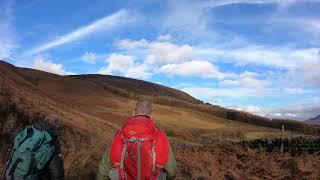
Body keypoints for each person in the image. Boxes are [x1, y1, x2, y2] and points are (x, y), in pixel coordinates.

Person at [97, 100, 177, 180]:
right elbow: (171, 171)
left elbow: (103, 170)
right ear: (152, 115)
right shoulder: (160, 136)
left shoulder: (120, 135)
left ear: (133, 113)